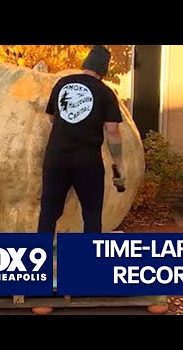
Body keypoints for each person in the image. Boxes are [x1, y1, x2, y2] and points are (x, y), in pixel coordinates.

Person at [37, 45, 125, 234]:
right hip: (87, 162)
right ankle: (87, 261)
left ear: (85, 63)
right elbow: (112, 130)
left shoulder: (62, 84)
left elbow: (52, 117)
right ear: (104, 69)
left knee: (48, 212)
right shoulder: (106, 93)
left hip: (56, 158)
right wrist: (118, 165)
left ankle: (39, 257)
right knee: (91, 214)